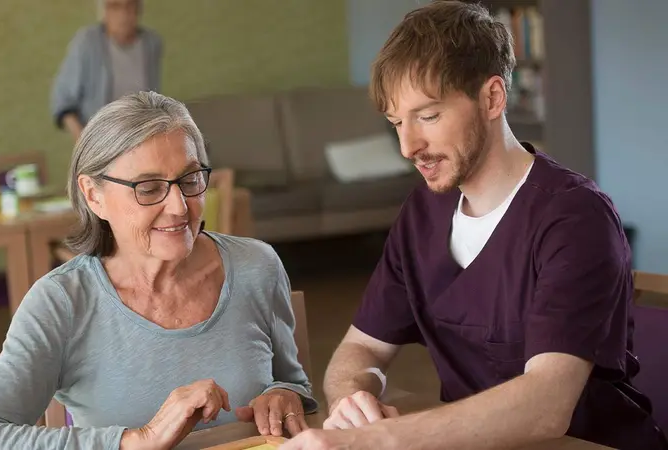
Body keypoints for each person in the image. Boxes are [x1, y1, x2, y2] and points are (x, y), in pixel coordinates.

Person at [281, 2, 667, 450]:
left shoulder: (575, 218)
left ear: (492, 98)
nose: (408, 146)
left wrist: (376, 440)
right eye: (396, 123)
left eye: (428, 116)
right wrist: (354, 398)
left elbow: (546, 406)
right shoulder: (422, 215)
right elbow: (359, 350)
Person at [0, 91, 317, 450]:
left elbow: (293, 384)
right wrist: (138, 440)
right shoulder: (61, 302)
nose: (179, 207)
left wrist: (285, 394)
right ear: (93, 195)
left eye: (190, 180)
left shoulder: (257, 266)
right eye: (148, 188)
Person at [50, 0, 163, 142]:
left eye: (130, 5)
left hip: (141, 137)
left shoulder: (151, 43)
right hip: (102, 141)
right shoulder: (88, 42)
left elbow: (153, 97)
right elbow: (63, 101)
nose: (123, 14)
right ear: (104, 11)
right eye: (115, 6)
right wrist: (86, 143)